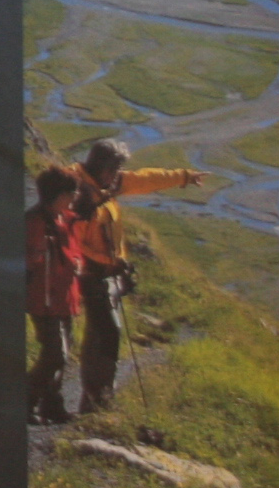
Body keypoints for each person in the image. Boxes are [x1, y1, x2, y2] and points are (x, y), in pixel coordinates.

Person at [71, 137, 201, 413]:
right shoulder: (79, 195)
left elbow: (143, 179)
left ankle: (94, 400)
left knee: (99, 334)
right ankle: (99, 400)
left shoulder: (105, 184)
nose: (119, 175)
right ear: (102, 167)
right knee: (108, 332)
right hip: (92, 275)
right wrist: (109, 262)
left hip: (107, 273)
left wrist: (184, 177)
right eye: (115, 169)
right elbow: (75, 244)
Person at [25, 165, 85, 426]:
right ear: (56, 195)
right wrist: (36, 255)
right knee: (55, 355)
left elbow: (74, 252)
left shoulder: (66, 219)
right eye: (70, 193)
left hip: (64, 297)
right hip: (44, 299)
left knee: (63, 353)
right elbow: (27, 260)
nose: (74, 197)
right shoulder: (35, 222)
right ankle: (26, 401)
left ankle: (52, 406)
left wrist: (78, 264)